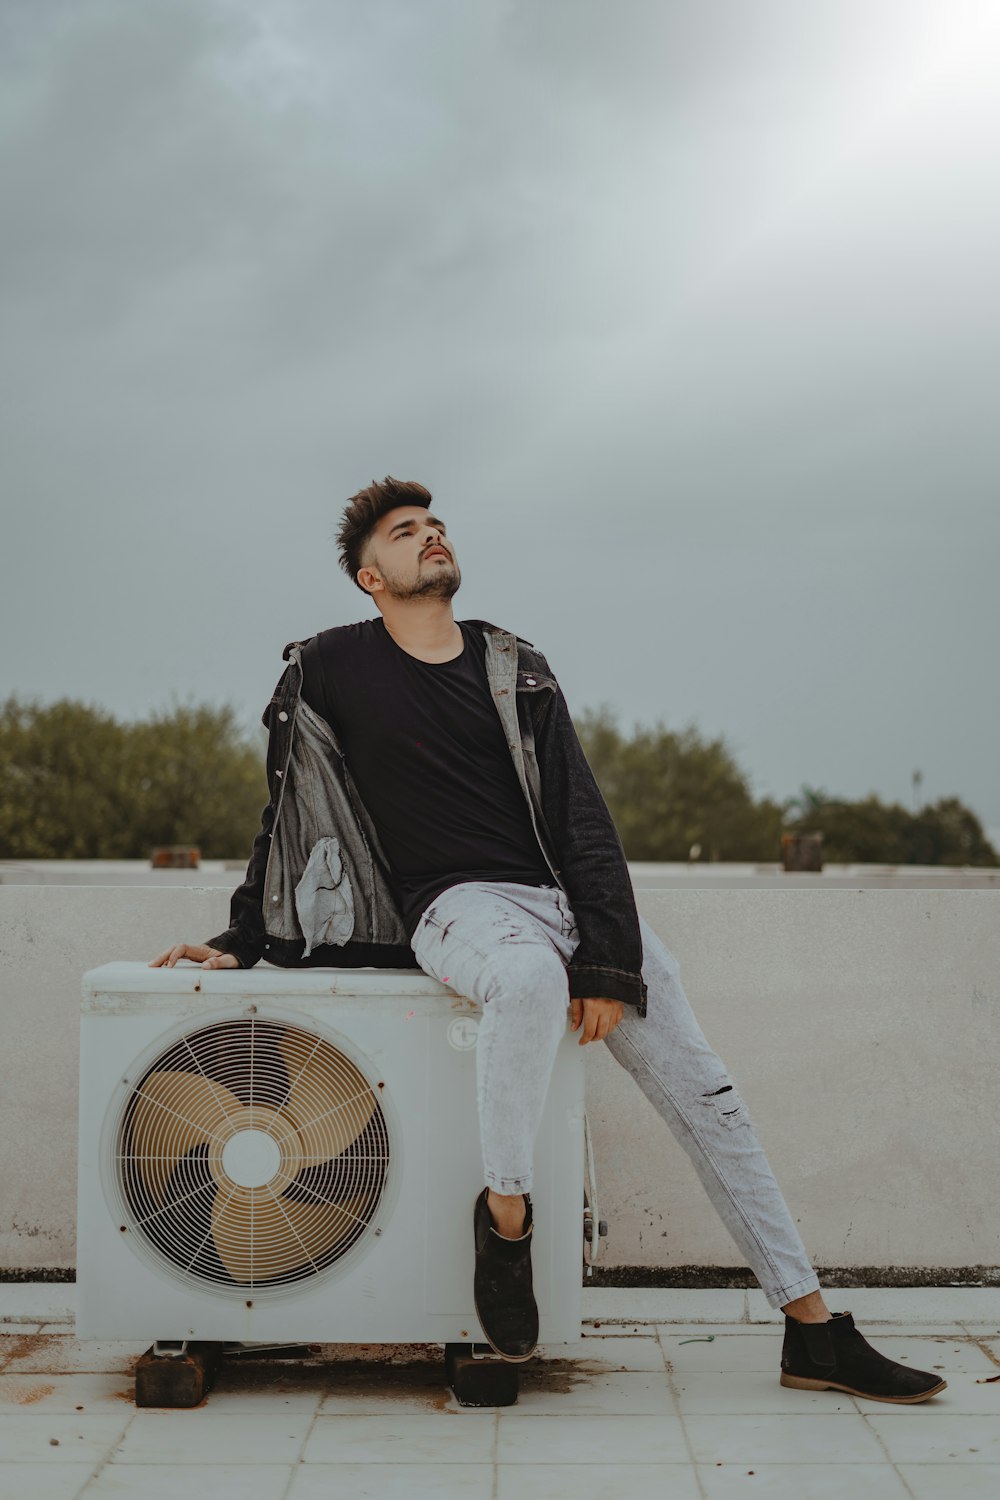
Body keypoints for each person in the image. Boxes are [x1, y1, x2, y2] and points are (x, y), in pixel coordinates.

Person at [152, 476, 944, 1403]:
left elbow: (582, 817)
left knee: (711, 1101)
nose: (431, 536)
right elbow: (291, 811)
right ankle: (507, 1222)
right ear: (371, 576)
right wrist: (242, 939)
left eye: (437, 524)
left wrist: (607, 958)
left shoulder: (510, 662)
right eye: (408, 532)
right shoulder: (329, 668)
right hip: (454, 911)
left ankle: (811, 1330)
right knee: (525, 982)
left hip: (565, 903)